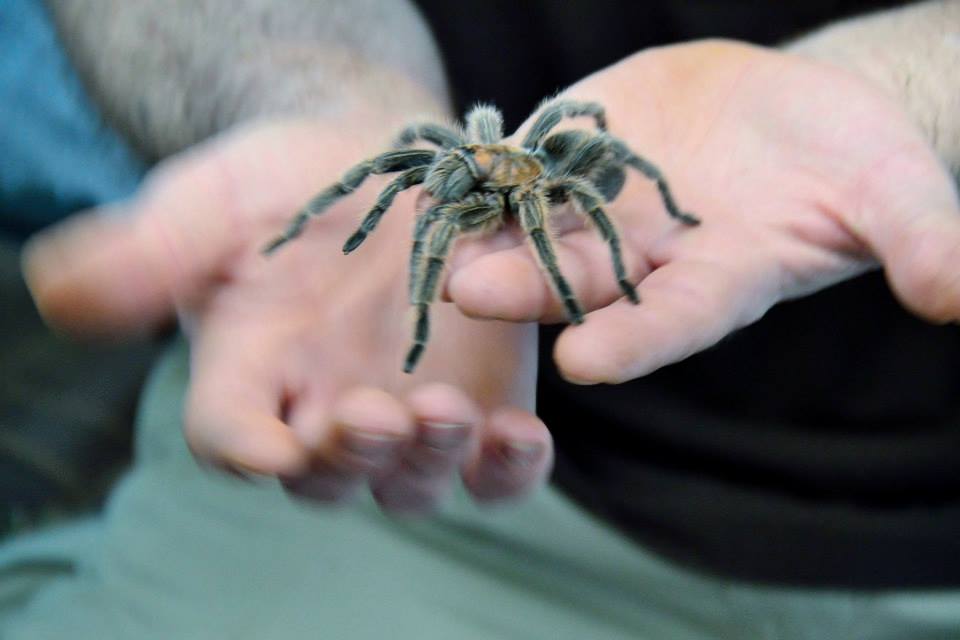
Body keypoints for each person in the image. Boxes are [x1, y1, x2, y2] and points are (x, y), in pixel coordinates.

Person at [2, 0, 959, 637]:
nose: (462, 195)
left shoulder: (555, 168)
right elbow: (408, 184)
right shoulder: (455, 173)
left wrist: (891, 81)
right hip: (441, 497)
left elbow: (553, 226)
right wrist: (332, 91)